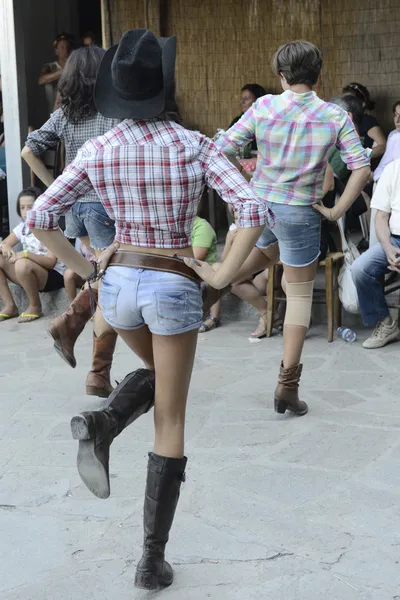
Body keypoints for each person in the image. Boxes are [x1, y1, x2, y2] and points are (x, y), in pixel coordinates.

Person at [25, 29, 272, 590]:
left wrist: (87, 270)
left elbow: (40, 216)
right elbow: (253, 208)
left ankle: (105, 420)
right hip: (172, 282)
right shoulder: (195, 145)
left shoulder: (98, 148)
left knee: (159, 379)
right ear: (163, 87)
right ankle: (150, 559)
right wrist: (223, 272)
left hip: (118, 290)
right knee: (172, 415)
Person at [186, 40, 371, 416]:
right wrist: (336, 213)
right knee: (299, 296)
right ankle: (288, 387)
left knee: (263, 255)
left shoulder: (264, 106)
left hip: (260, 207)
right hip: (300, 213)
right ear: (319, 76)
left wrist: (243, 185)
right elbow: (361, 168)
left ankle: (209, 287)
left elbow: (224, 148)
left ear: (281, 76)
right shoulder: (334, 116)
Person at [23, 45, 119, 399]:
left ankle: (72, 325)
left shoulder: (65, 115)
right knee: (111, 284)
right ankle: (96, 369)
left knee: (105, 279)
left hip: (75, 211)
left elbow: (28, 150)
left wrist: (57, 188)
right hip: (102, 209)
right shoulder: (111, 113)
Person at [351, 159, 400, 349]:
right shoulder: (393, 169)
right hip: (394, 240)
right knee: (360, 269)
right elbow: (380, 217)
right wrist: (388, 249)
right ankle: (386, 323)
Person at [0, 187, 65, 323]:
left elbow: (51, 262)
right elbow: (5, 243)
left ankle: (35, 306)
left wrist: (25, 254)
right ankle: (10, 306)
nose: (25, 212)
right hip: (30, 273)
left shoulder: (49, 227)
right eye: (22, 207)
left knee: (22, 263)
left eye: (30, 207)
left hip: (53, 275)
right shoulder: (22, 227)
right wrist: (5, 246)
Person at [342, 82, 386, 161]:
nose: (346, 103)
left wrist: (363, 154)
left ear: (362, 104)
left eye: (350, 100)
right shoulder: (345, 121)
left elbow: (382, 146)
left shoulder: (367, 121)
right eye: (345, 100)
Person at [191, 215, 220, 332]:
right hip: (183, 268)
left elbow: (195, 258)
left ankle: (214, 317)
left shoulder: (202, 226)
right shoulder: (175, 226)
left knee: (217, 272)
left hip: (202, 270)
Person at [39, 33, 73, 114]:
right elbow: (41, 80)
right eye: (62, 47)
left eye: (67, 47)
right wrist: (63, 71)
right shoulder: (50, 67)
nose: (65, 50)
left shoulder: (74, 66)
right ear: (56, 51)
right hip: (55, 112)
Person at [228, 83, 267, 154]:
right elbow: (228, 142)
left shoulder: (266, 122)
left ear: (257, 101)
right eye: (241, 99)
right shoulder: (237, 121)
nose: (242, 102)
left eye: (246, 99)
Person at [374, 101, 400, 183]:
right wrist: (379, 179)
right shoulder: (394, 136)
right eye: (396, 115)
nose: (397, 120)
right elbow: (384, 165)